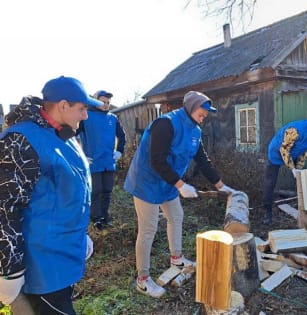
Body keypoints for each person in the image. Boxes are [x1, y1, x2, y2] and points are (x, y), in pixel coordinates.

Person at [0, 76, 98, 314]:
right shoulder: (21, 141)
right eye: (82, 108)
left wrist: (80, 235)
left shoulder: (64, 135)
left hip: (63, 252)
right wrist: (10, 269)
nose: (85, 115)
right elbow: (6, 207)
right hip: (41, 263)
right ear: (63, 106)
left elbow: (66, 194)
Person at [124, 91, 236, 298]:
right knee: (148, 229)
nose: (204, 117)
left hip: (169, 182)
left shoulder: (195, 131)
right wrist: (180, 184)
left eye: (205, 115)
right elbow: (157, 160)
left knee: (176, 217)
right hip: (146, 181)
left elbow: (202, 160)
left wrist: (221, 186)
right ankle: (143, 280)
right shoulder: (165, 124)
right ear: (191, 108)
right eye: (201, 113)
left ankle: (177, 258)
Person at [262, 114, 307, 224]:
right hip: (277, 152)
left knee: (300, 178)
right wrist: (292, 168)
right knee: (270, 183)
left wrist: (298, 169)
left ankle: (303, 207)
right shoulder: (295, 130)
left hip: (293, 153)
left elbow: (304, 153)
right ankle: (267, 212)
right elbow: (284, 149)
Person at [78, 90, 126, 230]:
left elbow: (122, 136)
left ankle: (105, 217)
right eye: (103, 102)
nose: (105, 105)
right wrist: (81, 155)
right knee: (96, 191)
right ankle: (96, 219)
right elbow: (71, 135)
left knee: (107, 190)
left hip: (108, 162)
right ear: (95, 101)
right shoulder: (86, 117)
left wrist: (119, 151)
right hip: (93, 162)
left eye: (108, 103)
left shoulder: (113, 118)